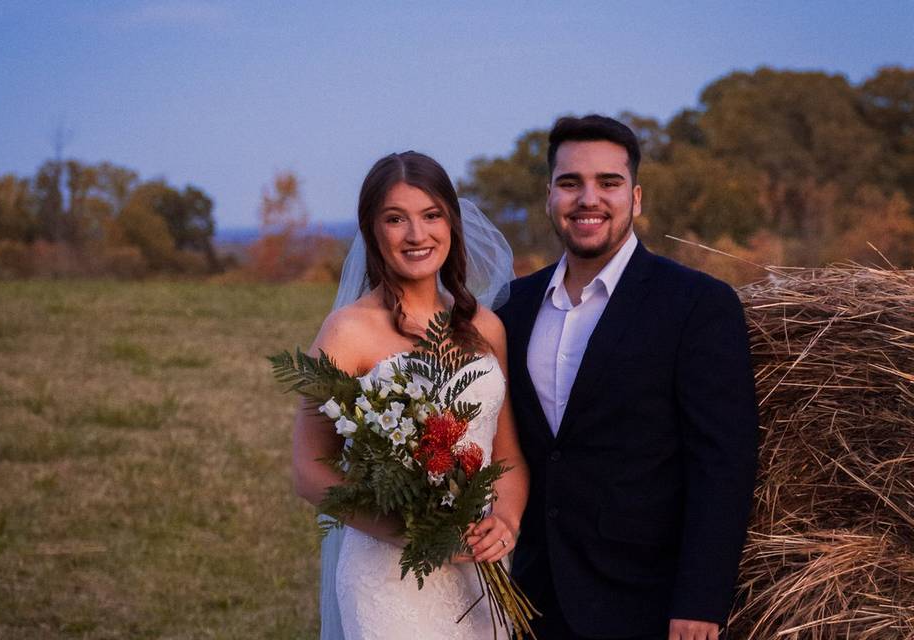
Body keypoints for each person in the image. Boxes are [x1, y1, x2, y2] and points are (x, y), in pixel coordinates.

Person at [495, 115, 758, 640]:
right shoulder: (512, 307)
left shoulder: (697, 304)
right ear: (549, 196)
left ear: (635, 198)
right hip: (531, 598)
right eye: (570, 183)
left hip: (647, 602)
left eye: (608, 183)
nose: (588, 198)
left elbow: (723, 462)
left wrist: (701, 599)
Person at [292, 151, 528, 639]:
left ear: (452, 223)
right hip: (387, 581)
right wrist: (418, 534)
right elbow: (309, 469)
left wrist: (505, 519)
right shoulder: (347, 332)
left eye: (431, 215)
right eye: (395, 219)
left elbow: (506, 457)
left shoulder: (486, 327)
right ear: (372, 230)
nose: (417, 235)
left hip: (481, 571)